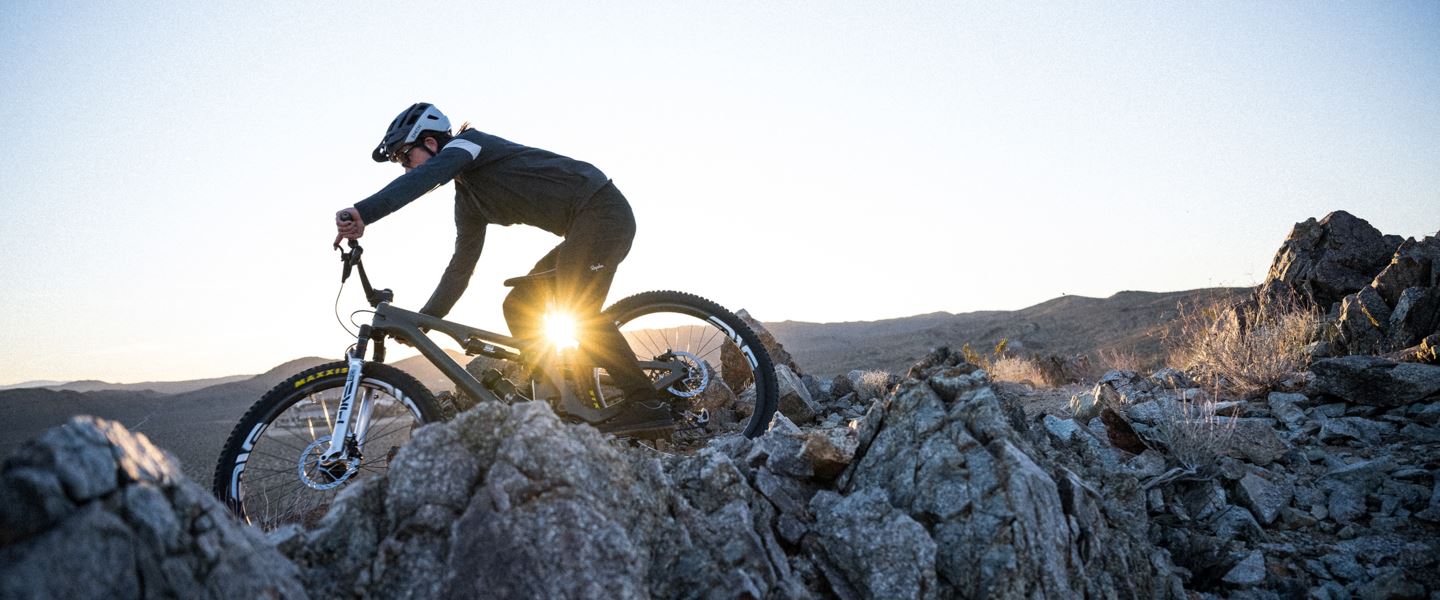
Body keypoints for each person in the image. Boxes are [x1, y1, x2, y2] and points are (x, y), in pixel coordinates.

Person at [333, 102, 672, 435]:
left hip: (602, 211)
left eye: (406, 157)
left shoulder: (471, 144)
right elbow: (460, 269)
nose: (407, 169)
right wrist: (424, 322)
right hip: (581, 228)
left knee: (578, 310)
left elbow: (426, 176)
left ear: (431, 142)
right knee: (519, 304)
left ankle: (647, 402)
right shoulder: (468, 200)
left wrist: (365, 212)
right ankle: (556, 393)